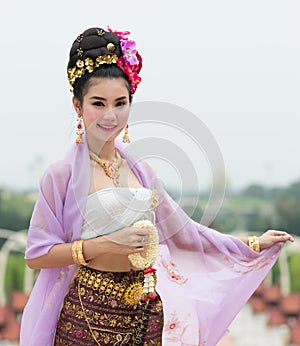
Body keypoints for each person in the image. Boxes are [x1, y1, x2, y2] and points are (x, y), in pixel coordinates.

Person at [20, 26, 294, 346]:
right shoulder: (61, 174)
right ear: (77, 105)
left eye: (120, 103)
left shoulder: (142, 171)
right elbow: (37, 254)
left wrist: (253, 244)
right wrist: (106, 244)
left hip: (145, 312)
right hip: (89, 314)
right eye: (98, 103)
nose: (111, 115)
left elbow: (185, 233)